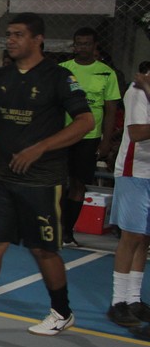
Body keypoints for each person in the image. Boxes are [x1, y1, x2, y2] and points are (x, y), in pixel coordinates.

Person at [0, 13, 93, 336]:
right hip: (4, 178)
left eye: (18, 34)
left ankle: (62, 312)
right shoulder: (3, 77)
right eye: (9, 34)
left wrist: (41, 147)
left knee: (43, 249)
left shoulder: (58, 76)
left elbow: (85, 122)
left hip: (42, 179)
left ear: (38, 40)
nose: (10, 40)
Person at [58, 27, 120, 246]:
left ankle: (67, 233)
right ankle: (53, 228)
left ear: (95, 46)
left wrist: (106, 141)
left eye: (86, 43)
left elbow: (111, 110)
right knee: (57, 183)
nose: (82, 47)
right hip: (62, 135)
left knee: (78, 184)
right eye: (78, 43)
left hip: (89, 137)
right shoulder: (62, 69)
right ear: (74, 45)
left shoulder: (107, 73)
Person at [106, 62, 150, 328]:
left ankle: (134, 299)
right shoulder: (137, 90)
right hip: (134, 171)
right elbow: (136, 132)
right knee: (131, 236)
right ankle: (117, 302)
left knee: (145, 238)